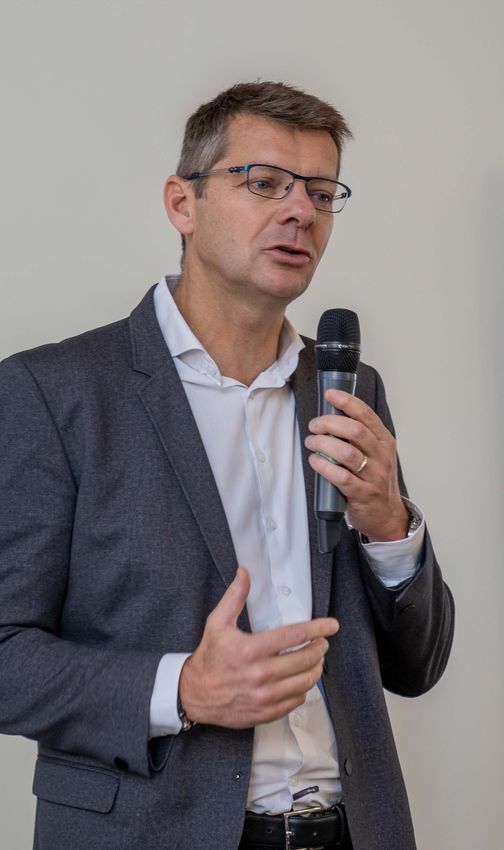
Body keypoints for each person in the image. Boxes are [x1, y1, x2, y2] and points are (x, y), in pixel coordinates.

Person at [0, 81, 454, 850]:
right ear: (183, 203)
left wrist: (388, 524)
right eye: (265, 183)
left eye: (321, 193)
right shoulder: (55, 393)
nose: (300, 211)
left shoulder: (348, 389)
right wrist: (181, 688)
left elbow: (418, 666)